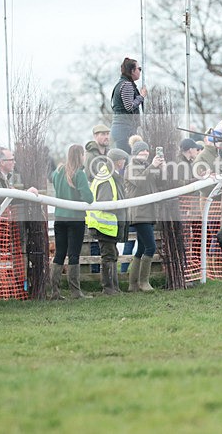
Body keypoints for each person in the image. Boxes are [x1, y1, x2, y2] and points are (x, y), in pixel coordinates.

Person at [50, 144, 95, 300]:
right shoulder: (79, 174)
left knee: (59, 254)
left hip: (59, 217)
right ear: (81, 155)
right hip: (75, 218)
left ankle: (55, 291)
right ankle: (75, 292)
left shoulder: (58, 172)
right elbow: (89, 198)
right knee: (73, 255)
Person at [86, 148, 129, 295]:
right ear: (118, 161)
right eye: (123, 159)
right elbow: (105, 203)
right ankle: (109, 289)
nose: (124, 162)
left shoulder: (108, 175)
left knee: (111, 254)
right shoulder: (107, 178)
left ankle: (113, 288)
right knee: (109, 256)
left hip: (107, 225)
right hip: (105, 225)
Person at [125, 140, 166, 292]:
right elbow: (140, 182)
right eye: (143, 151)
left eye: (147, 151)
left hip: (148, 212)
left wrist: (162, 168)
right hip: (139, 213)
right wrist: (152, 166)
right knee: (151, 246)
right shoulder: (131, 168)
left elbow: (162, 182)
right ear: (135, 153)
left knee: (141, 248)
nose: (146, 153)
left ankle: (133, 284)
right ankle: (144, 282)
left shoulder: (148, 167)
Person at [110, 57, 146, 153]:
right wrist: (141, 96)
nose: (140, 71)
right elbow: (129, 106)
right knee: (126, 159)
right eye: (139, 69)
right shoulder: (127, 85)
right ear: (132, 71)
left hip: (122, 128)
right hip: (124, 129)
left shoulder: (122, 83)